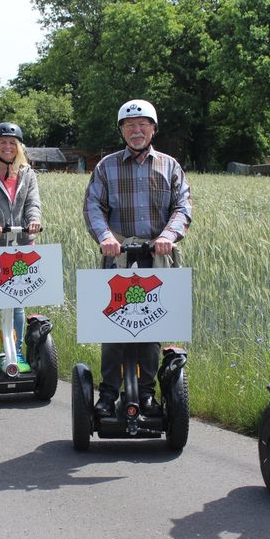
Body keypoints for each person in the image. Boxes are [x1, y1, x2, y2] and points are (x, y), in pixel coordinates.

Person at [84, 99, 192, 417]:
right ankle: (107, 393)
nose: (136, 130)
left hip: (156, 256)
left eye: (143, 124)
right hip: (117, 256)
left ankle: (146, 393)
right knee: (113, 327)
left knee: (151, 328)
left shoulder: (170, 166)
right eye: (129, 126)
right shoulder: (106, 167)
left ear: (153, 129)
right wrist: (105, 237)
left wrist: (167, 237)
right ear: (121, 131)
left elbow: (183, 206)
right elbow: (93, 206)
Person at [0, 122, 42, 375]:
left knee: (18, 303)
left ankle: (18, 352)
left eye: (12, 143)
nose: (8, 146)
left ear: (19, 147)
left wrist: (33, 221)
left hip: (22, 244)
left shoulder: (27, 173)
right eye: (3, 142)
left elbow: (33, 203)